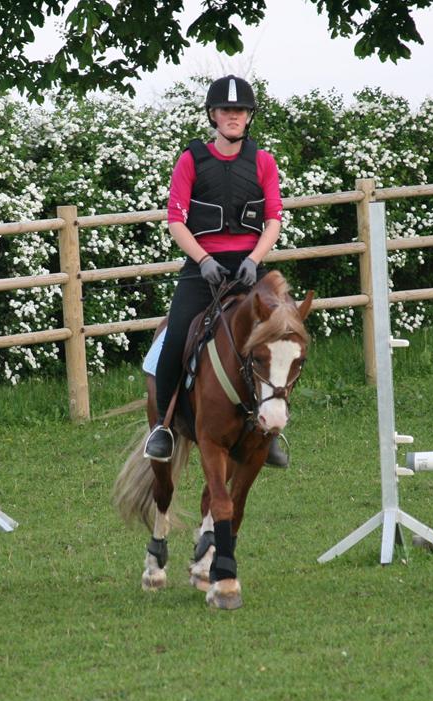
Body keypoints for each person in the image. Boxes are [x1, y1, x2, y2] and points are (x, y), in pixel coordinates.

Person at [143, 74, 288, 468]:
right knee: (174, 339)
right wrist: (204, 260)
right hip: (201, 268)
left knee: (282, 340)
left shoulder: (263, 161)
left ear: (249, 116)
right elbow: (176, 220)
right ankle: (164, 427)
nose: (232, 116)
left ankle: (272, 429)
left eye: (239, 110)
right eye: (225, 110)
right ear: (213, 114)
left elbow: (273, 218)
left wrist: (254, 261)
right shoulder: (191, 159)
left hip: (248, 266)